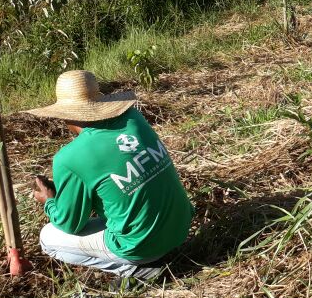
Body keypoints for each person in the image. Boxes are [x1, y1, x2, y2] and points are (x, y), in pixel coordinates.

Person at [26, 70, 193, 281]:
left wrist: (49, 201)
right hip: (180, 227)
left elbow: (70, 224)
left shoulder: (69, 158)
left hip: (142, 246)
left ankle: (136, 270)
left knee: (48, 238)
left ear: (66, 114)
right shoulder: (134, 118)